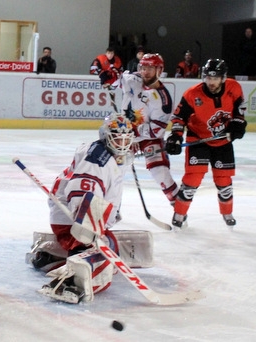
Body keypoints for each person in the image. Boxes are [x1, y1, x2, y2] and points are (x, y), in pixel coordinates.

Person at [37, 113, 135, 303]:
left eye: (126, 139)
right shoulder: (96, 160)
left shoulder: (106, 152)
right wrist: (88, 225)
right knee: (107, 250)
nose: (122, 144)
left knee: (109, 248)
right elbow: (80, 191)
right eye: (117, 138)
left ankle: (50, 257)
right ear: (106, 136)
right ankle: (71, 282)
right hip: (74, 220)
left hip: (71, 216)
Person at [166, 59, 247, 230]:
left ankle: (227, 213)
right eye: (209, 78)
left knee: (224, 181)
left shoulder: (234, 88)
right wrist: (175, 136)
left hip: (223, 140)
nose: (211, 82)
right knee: (192, 180)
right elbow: (179, 117)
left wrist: (238, 123)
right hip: (198, 138)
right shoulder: (192, 94)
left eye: (215, 78)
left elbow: (239, 110)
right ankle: (179, 214)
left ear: (223, 78)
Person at [118, 53, 180, 205]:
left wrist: (135, 133)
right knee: (113, 171)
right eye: (143, 68)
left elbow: (155, 130)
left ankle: (179, 208)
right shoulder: (133, 79)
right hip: (124, 134)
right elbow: (115, 81)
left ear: (159, 70)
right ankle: (112, 209)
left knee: (160, 172)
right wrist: (109, 76)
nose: (145, 72)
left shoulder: (164, 99)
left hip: (148, 138)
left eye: (150, 69)